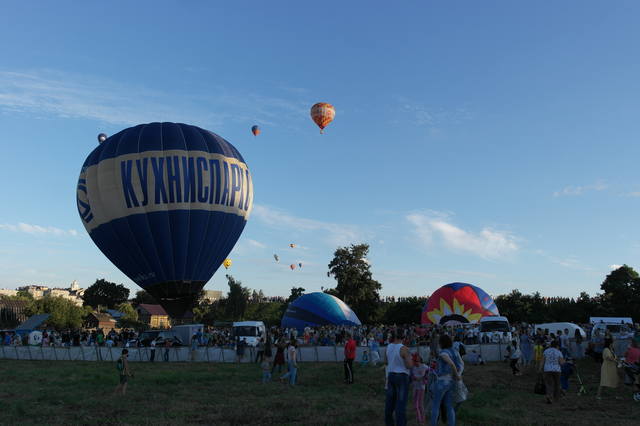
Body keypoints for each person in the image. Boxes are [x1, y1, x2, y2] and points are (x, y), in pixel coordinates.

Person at [430, 334, 461, 426]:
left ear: (442, 343)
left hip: (442, 381)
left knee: (435, 406)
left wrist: (456, 374)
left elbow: (451, 364)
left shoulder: (443, 353)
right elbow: (460, 365)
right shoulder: (454, 352)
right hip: (450, 381)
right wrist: (457, 375)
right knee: (449, 406)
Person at [384, 330, 413, 426]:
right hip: (402, 377)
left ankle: (389, 423)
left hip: (391, 374)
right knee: (400, 404)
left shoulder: (388, 347)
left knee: (390, 403)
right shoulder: (404, 349)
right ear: (403, 337)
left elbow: (386, 361)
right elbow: (409, 365)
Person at [540, 340, 564, 404]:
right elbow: (561, 363)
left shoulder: (546, 351)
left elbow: (542, 361)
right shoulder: (559, 352)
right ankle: (556, 398)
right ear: (557, 346)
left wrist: (540, 369)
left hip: (547, 369)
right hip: (557, 370)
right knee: (557, 384)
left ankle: (549, 396)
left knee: (549, 384)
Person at [410, 353, 428, 425]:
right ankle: (419, 419)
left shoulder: (424, 367)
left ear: (420, 361)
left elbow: (429, 371)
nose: (416, 363)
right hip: (415, 387)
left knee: (420, 404)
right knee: (415, 404)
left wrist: (424, 379)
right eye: (415, 361)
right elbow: (412, 376)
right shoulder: (413, 367)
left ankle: (422, 420)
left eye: (417, 361)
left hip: (421, 387)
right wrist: (414, 378)